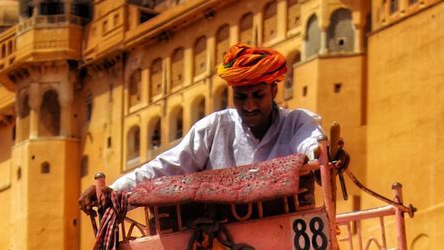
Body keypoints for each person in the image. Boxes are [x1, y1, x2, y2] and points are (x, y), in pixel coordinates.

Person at [78, 43, 328, 212]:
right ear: (232, 93)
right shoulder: (213, 128)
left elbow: (312, 145)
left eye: (258, 95)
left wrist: (324, 155)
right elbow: (166, 167)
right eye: (241, 97)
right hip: (216, 241)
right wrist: (114, 191)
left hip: (283, 236)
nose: (250, 105)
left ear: (274, 90)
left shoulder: (297, 121)